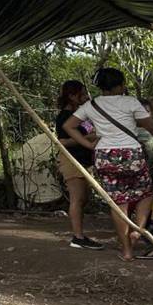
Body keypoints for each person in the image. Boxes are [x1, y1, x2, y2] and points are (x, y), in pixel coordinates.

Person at [63, 68, 153, 261]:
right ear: (121, 85)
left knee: (119, 203)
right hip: (131, 154)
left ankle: (126, 251)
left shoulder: (91, 105)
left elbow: (69, 126)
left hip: (105, 155)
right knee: (146, 194)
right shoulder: (131, 102)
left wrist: (88, 144)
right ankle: (138, 230)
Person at [54, 80, 105, 251]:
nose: (85, 97)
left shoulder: (81, 116)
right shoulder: (64, 117)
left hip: (84, 160)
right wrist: (86, 139)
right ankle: (78, 236)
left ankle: (80, 234)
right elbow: (62, 142)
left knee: (83, 198)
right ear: (72, 96)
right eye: (81, 94)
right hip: (72, 160)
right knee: (77, 198)